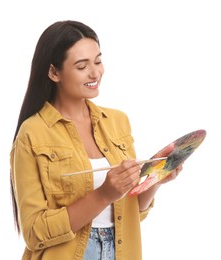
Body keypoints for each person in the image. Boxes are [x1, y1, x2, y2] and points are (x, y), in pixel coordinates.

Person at [10, 20, 183, 260]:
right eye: (82, 66)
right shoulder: (32, 134)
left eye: (98, 61)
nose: (95, 73)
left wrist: (154, 178)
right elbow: (34, 232)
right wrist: (103, 195)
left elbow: (133, 212)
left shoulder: (117, 121)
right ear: (53, 72)